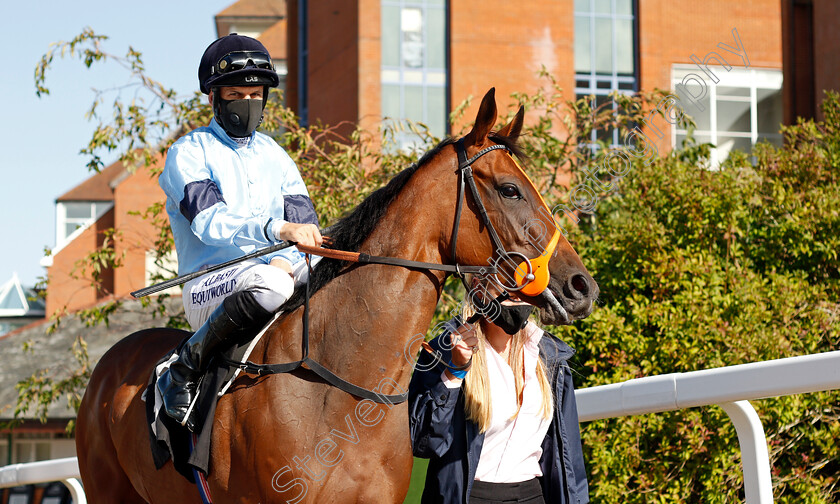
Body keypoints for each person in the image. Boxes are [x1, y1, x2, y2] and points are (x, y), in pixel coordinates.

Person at [156, 33, 323, 431]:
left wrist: (289, 255)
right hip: (208, 284)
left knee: (337, 274)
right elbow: (210, 223)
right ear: (213, 98)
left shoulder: (277, 156)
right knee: (271, 284)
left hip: (274, 271)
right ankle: (184, 366)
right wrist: (276, 229)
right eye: (235, 94)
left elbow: (307, 226)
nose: (246, 104)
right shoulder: (188, 152)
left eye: (255, 95)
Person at [409, 282, 589, 504]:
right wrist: (454, 372)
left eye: (524, 282)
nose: (516, 292)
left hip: (533, 495)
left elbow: (570, 457)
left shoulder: (551, 356)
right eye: (506, 282)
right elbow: (422, 442)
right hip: (470, 496)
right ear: (478, 287)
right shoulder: (443, 351)